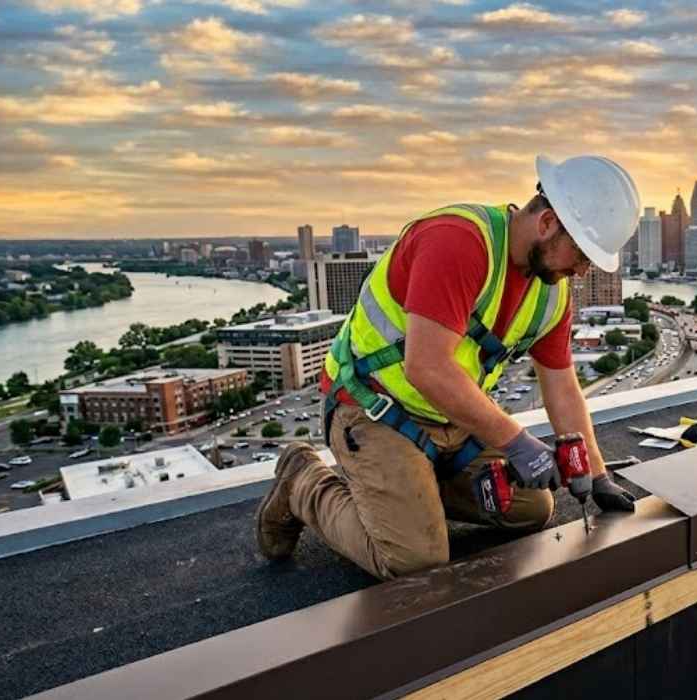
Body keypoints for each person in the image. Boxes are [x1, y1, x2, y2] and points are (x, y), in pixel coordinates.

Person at [254, 154, 641, 579]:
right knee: (414, 559)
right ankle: (303, 481)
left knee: (530, 508)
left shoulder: (551, 294)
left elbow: (562, 385)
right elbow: (427, 368)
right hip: (374, 409)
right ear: (547, 223)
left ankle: (412, 487)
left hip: (450, 419)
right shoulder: (457, 242)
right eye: (582, 254)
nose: (582, 271)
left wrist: (596, 473)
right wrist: (516, 442)